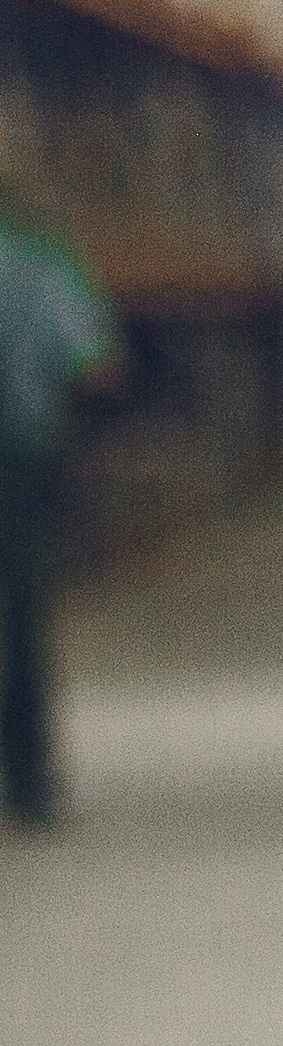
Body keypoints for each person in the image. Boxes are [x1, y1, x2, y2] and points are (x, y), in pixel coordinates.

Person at [0, 178, 121, 828]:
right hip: (20, 461)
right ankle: (30, 783)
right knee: (22, 621)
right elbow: (94, 360)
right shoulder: (46, 264)